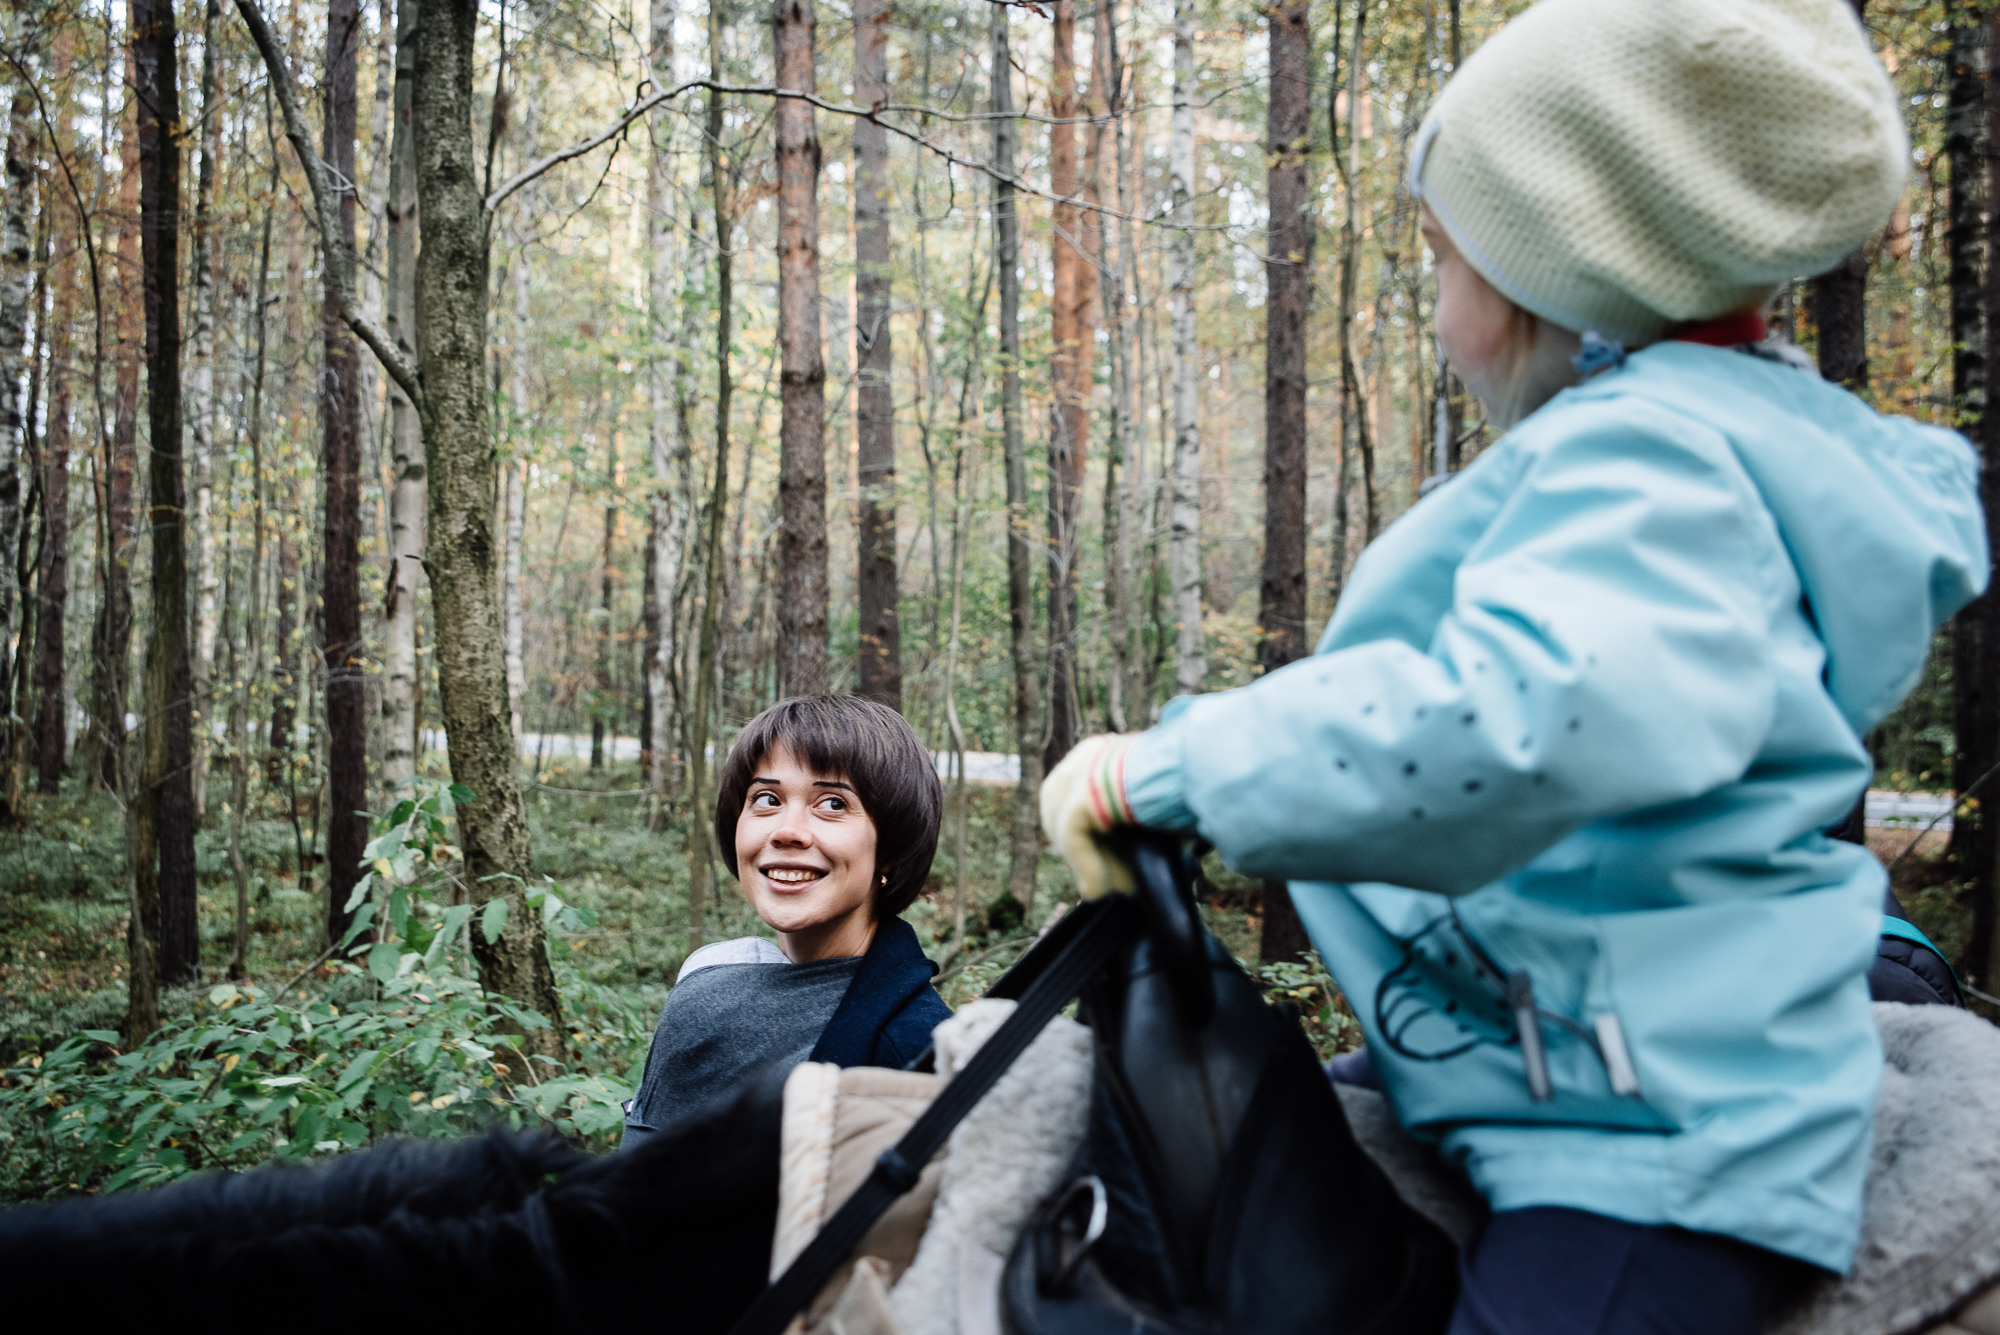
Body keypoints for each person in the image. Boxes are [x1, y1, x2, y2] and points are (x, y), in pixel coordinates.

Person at [1041, 2, 1987, 1332]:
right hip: (1533, 1042)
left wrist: (1180, 766)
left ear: (1570, 270)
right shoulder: (1704, 448)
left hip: (1653, 1139)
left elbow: (1509, 722)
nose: (1435, 304)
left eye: (1443, 259)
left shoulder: (1654, 467)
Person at [621, 697, 952, 1147]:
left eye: (833, 803)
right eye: (767, 798)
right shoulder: (713, 975)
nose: (787, 830)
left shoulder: (914, 1055)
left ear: (890, 848)